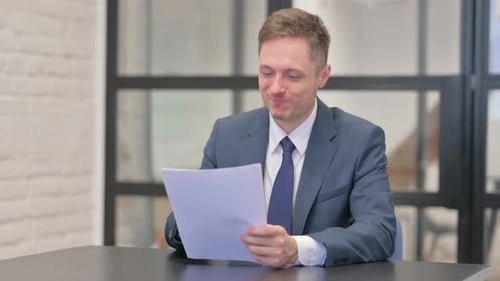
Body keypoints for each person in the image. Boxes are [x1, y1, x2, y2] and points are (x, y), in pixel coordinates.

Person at [165, 8, 396, 268]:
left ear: (323, 75)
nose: (275, 88)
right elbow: (187, 222)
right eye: (266, 73)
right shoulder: (227, 135)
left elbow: (380, 231)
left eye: (292, 75)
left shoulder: (360, 140)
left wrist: (297, 249)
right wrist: (187, 222)